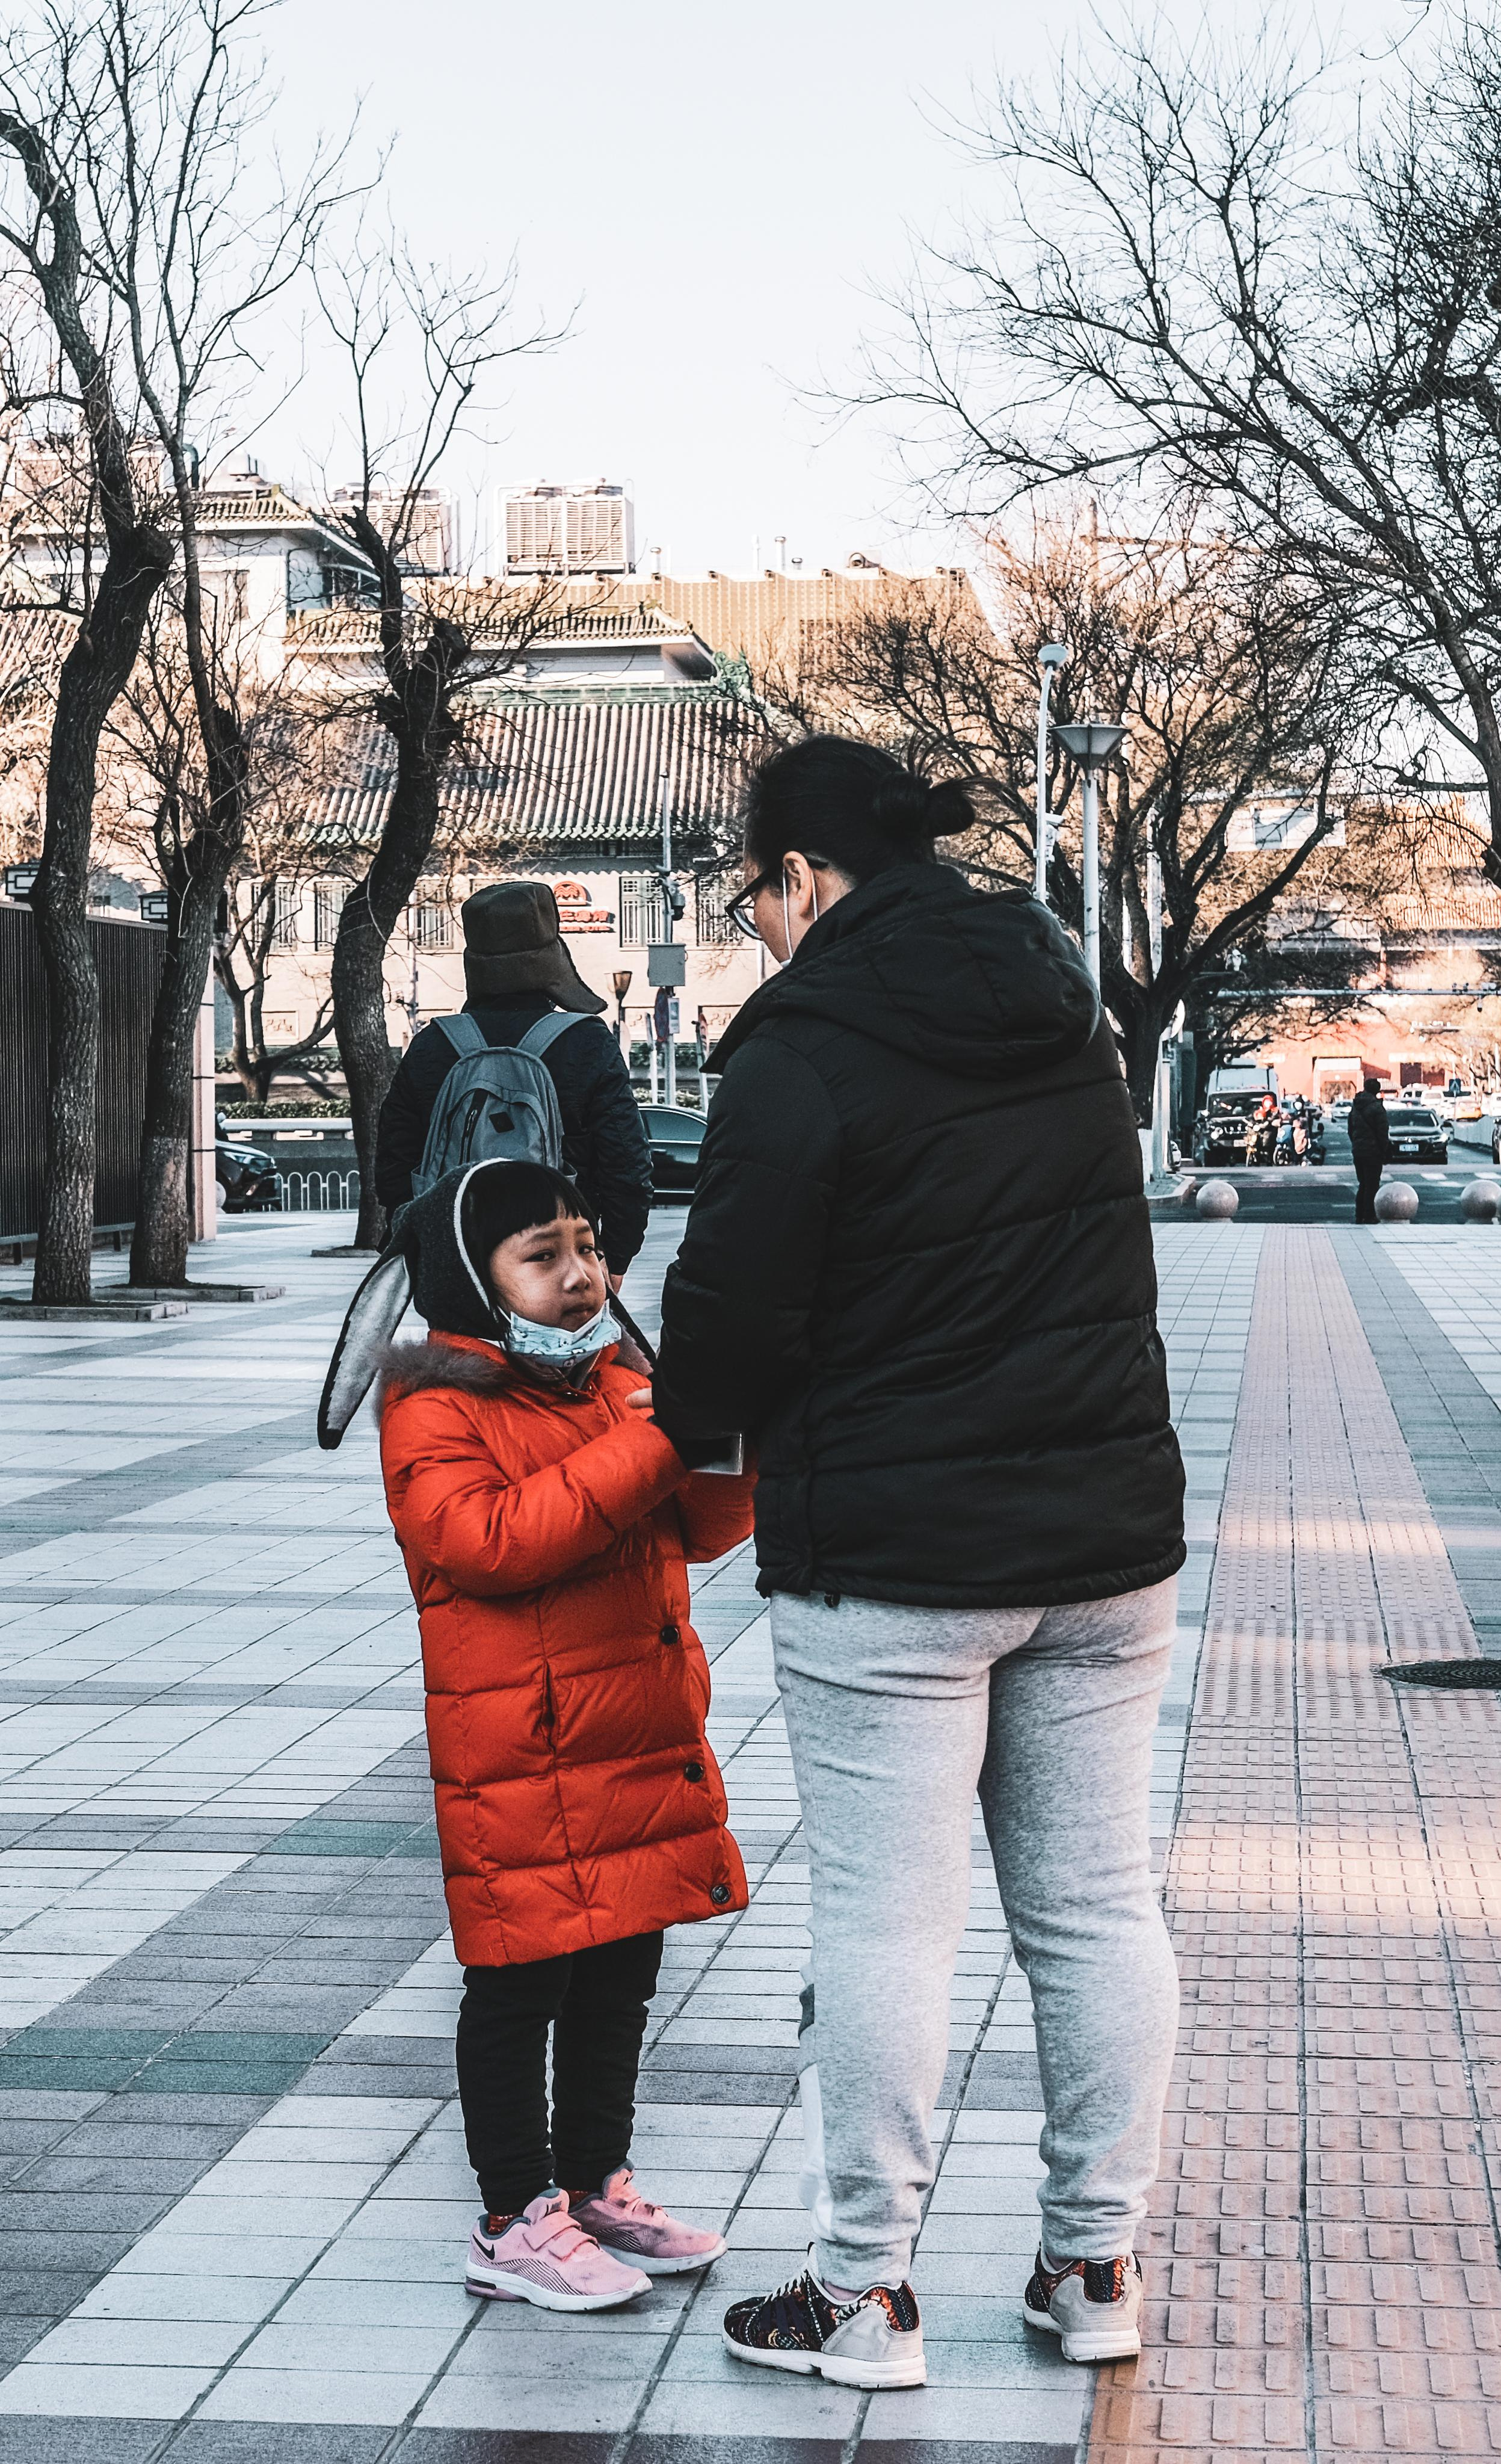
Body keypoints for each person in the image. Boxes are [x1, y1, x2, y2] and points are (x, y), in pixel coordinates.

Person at [653, 735, 1186, 2391]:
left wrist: (690, 1416)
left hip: (889, 1561)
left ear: (799, 878)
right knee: (1092, 1903)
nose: (756, 929)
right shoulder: (1058, 1005)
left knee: (889, 1921)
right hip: (1101, 1547)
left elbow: (728, 1321)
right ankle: (1091, 2260)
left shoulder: (798, 1047)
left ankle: (860, 2292)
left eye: (754, 897)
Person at [378, 1158, 754, 2308]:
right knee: (517, 1985)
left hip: (635, 1736)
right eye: (543, 1258)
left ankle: (595, 2184)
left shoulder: (609, 1379)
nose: (582, 1277)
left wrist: (724, 1435)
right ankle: (512, 2218)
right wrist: (652, 1439)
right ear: (472, 1280)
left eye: (586, 1249)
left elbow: (700, 1530)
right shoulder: (435, 1408)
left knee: (622, 1975)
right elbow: (495, 1541)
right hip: (524, 1759)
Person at [375, 882, 653, 1282]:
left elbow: (393, 1165)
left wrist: (422, 1247)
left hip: (457, 1265)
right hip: (561, 1270)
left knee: (458, 1348)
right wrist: (614, 1258)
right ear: (552, 962)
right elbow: (626, 1165)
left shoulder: (432, 1045)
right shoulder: (586, 1042)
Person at [1348, 1075, 1392, 1223]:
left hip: (1358, 1151)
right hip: (1373, 1152)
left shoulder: (1356, 1106)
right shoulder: (1377, 1108)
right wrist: (1384, 1151)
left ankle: (1359, 1215)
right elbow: (1382, 1132)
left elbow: (1350, 1129)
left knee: (1363, 1184)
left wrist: (1356, 1143)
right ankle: (1369, 1215)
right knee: (1372, 1185)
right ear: (1378, 1091)